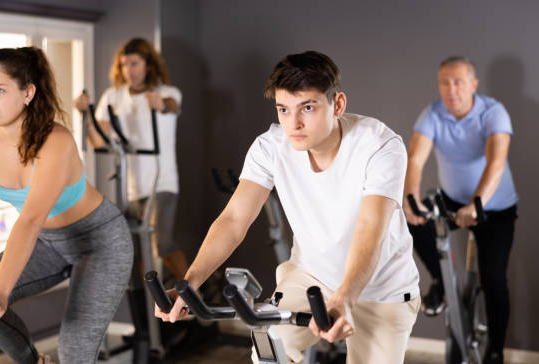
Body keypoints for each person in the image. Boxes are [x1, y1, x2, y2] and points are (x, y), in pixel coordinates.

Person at [156, 51, 420, 364]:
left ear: (337, 104)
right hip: (311, 277)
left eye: (307, 107)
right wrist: (190, 284)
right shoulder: (271, 147)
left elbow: (369, 229)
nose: (293, 123)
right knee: (270, 353)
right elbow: (233, 219)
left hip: (382, 289)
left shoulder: (379, 145)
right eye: (284, 109)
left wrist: (345, 296)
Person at [0, 47, 133, 364]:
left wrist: (1, 291)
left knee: (74, 351)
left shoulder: (56, 141)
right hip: (48, 244)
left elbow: (31, 219)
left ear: (28, 92)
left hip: (100, 242)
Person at [404, 56, 518, 364]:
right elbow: (415, 159)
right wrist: (410, 198)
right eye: (445, 82)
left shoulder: (493, 113)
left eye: (458, 82)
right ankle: (441, 282)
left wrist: (477, 204)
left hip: (494, 207)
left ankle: (495, 350)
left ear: (473, 85)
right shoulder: (433, 114)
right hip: (453, 202)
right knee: (412, 220)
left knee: (493, 280)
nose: (451, 89)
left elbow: (496, 162)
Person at [75, 37, 189, 281]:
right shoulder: (113, 97)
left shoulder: (168, 93)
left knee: (163, 244)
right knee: (134, 252)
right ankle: (148, 309)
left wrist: (160, 104)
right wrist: (86, 114)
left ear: (148, 64)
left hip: (162, 182)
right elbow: (97, 140)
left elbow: (171, 106)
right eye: (125, 65)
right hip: (131, 187)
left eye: (135, 64)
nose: (129, 70)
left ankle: (195, 295)